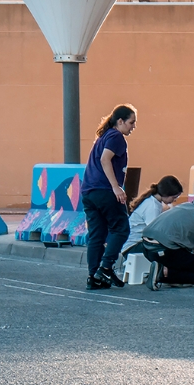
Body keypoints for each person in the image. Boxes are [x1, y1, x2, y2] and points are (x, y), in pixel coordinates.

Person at [82, 104, 137, 290]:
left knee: (97, 235)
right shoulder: (116, 137)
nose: (133, 127)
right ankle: (105, 267)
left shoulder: (103, 136)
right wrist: (116, 187)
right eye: (131, 122)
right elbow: (105, 159)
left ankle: (94, 276)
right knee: (121, 228)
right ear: (120, 121)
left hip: (89, 192)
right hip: (105, 190)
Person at [120, 175, 183, 256]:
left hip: (137, 244)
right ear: (166, 194)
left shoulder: (154, 202)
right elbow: (154, 233)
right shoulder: (152, 206)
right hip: (132, 246)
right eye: (174, 197)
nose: (175, 200)